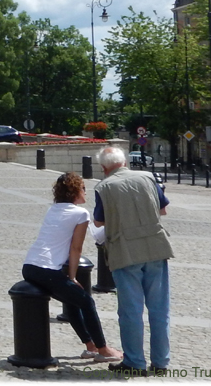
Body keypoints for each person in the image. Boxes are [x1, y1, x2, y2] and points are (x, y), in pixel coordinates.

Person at [22, 172, 123, 364]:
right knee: (87, 302)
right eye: (83, 188)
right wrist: (72, 276)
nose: (86, 192)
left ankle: (91, 347)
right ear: (75, 191)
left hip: (30, 266)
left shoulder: (53, 209)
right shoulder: (81, 214)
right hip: (47, 270)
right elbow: (76, 248)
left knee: (73, 300)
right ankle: (103, 350)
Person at [94, 146, 173, 377]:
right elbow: (163, 210)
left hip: (125, 251)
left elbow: (98, 222)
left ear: (104, 167)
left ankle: (135, 362)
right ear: (125, 162)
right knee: (159, 309)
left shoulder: (104, 187)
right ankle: (161, 362)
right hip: (155, 247)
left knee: (131, 311)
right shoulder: (148, 177)